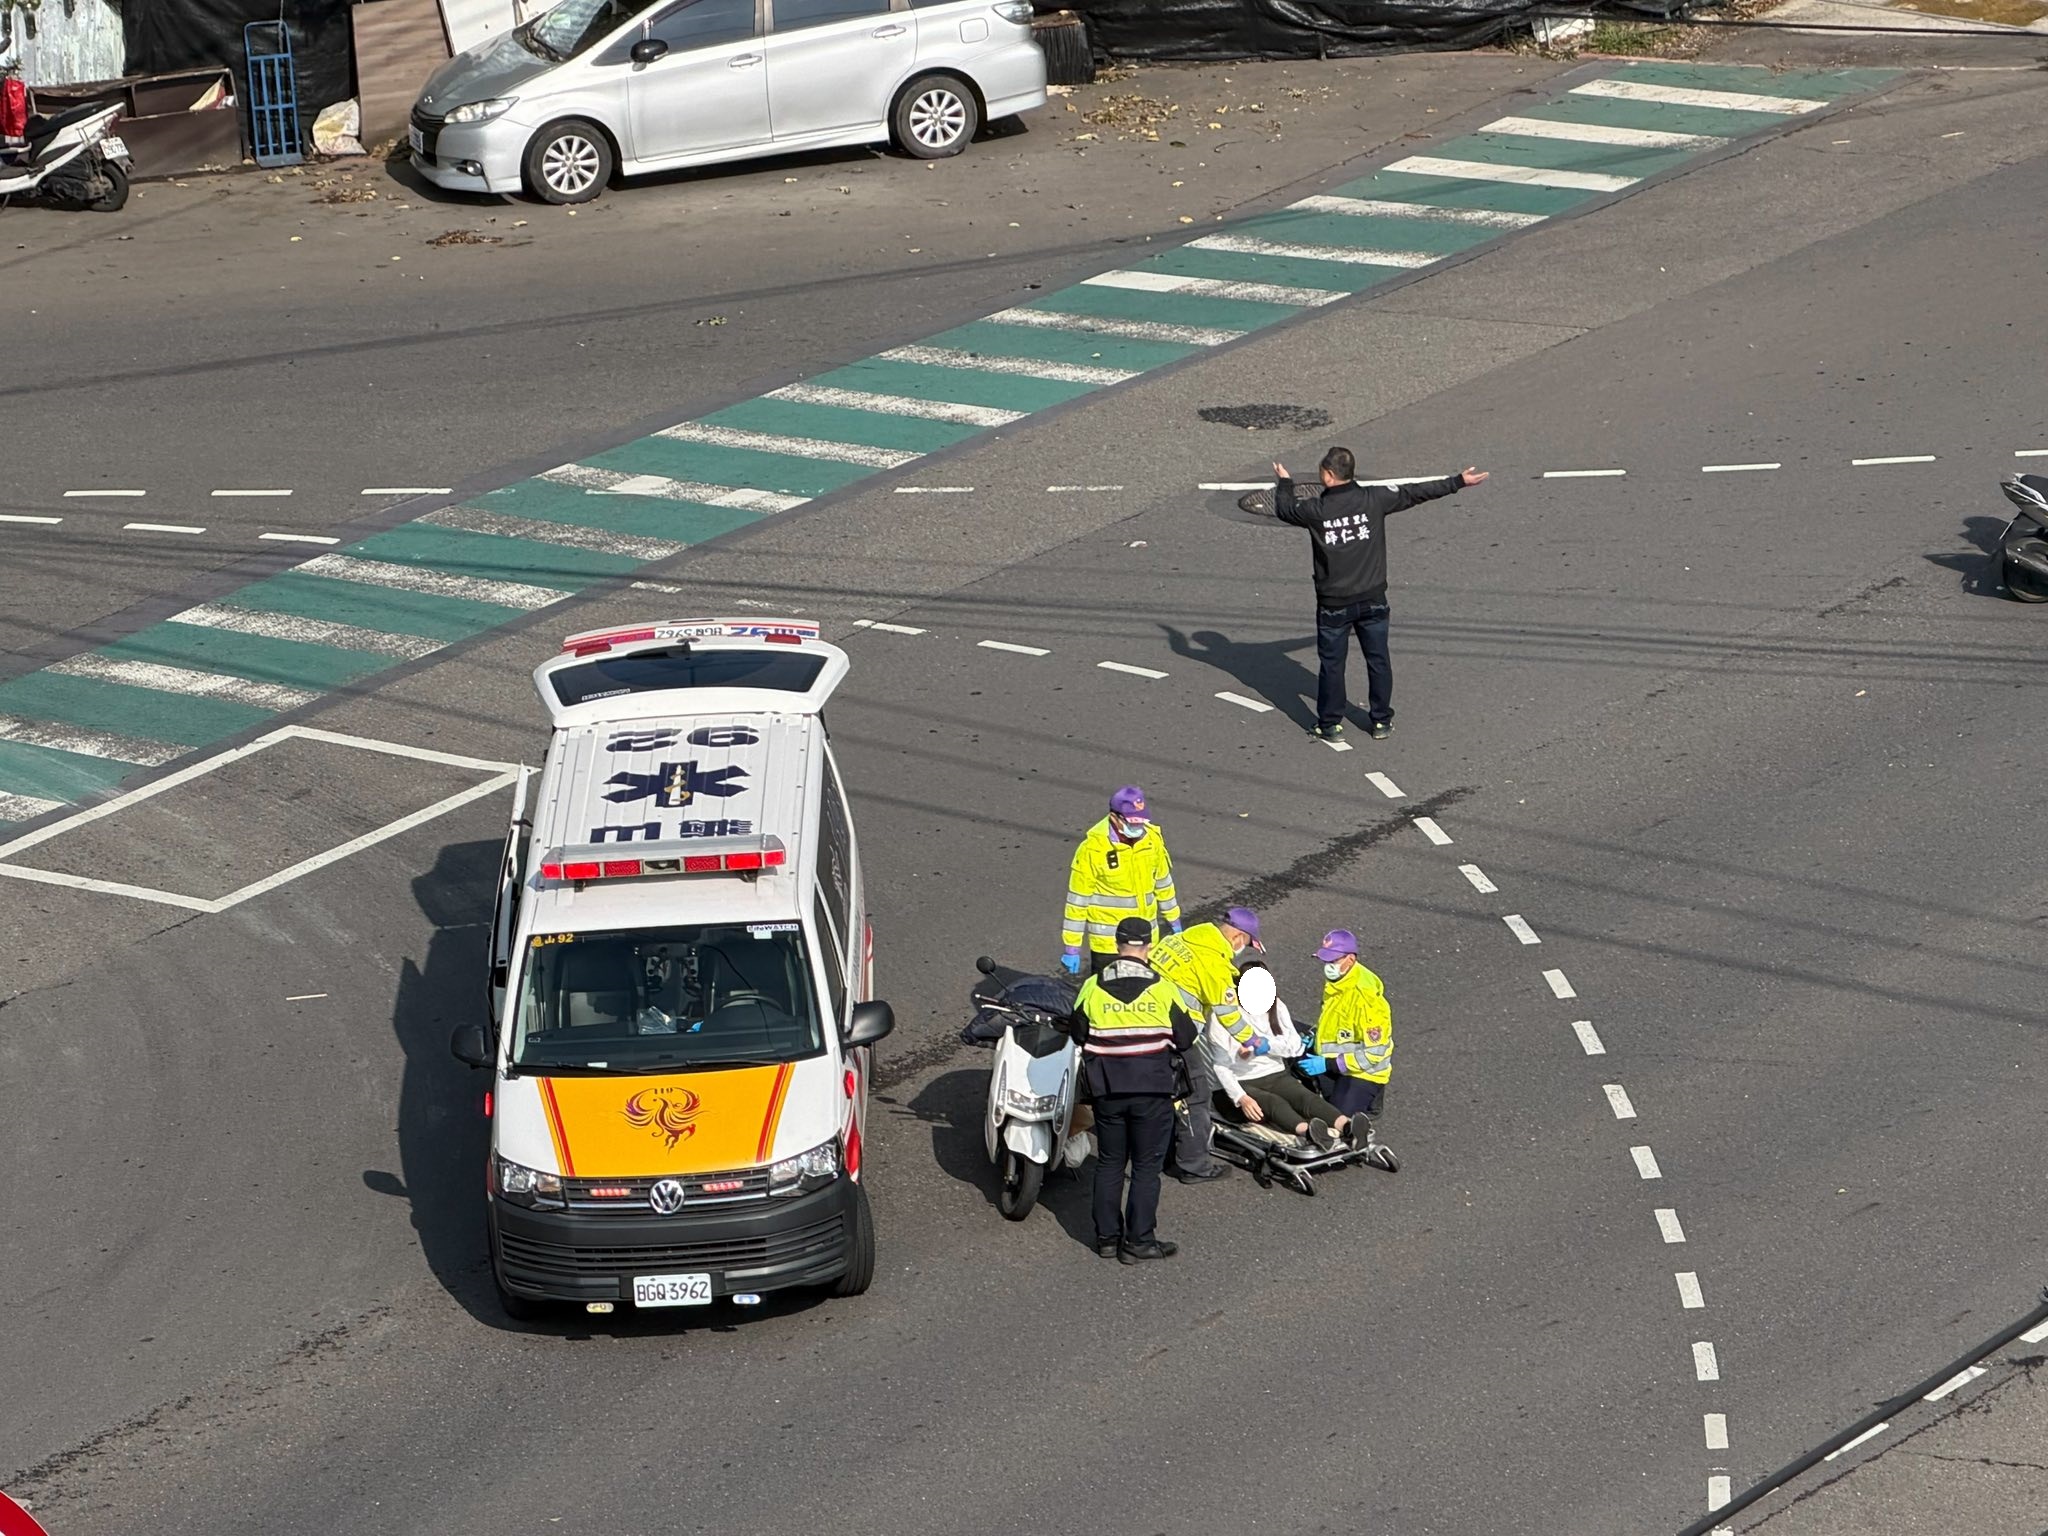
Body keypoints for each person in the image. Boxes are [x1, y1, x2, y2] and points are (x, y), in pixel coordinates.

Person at [1271, 449, 1489, 742]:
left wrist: (1285, 482)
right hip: (1373, 599)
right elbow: (1416, 492)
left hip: (1334, 605)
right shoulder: (1375, 499)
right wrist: (1457, 481)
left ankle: (1330, 724)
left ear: (1328, 475)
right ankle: (1381, 721)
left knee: (1333, 664)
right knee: (1378, 659)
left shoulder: (1315, 511)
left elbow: (1285, 509)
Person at [1069, 916, 1197, 1263]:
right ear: (1149, 947)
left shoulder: (1093, 987)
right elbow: (1186, 1038)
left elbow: (1077, 1032)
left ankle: (1107, 1239)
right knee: (1145, 1166)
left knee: (1110, 1162)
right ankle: (1138, 1241)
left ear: (1117, 945)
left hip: (1107, 1091)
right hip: (1152, 1090)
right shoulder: (1162, 987)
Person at [1147, 906, 1263, 1183]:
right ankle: (1192, 1165)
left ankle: (1156, 1151)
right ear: (1237, 937)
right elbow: (1228, 1014)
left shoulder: (1179, 939)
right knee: (1195, 1095)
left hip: (1143, 1024)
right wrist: (1252, 1040)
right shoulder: (1214, 962)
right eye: (1246, 944)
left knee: (1155, 1093)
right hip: (1175, 1034)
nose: (1242, 950)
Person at [1209, 963, 1370, 1150]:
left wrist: (1266, 1045)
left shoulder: (1275, 1006)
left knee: (1303, 1097)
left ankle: (1348, 1126)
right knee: (1274, 1103)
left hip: (1275, 1074)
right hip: (1241, 1081)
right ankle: (1309, 1132)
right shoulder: (1222, 1017)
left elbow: (1294, 1046)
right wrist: (1241, 1098)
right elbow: (1220, 1066)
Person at [1060, 785, 1182, 978]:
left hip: (1146, 941)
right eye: (1132, 823)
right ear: (1114, 817)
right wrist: (1072, 947)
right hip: (1110, 945)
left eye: (1141, 821)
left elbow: (1163, 884)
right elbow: (1078, 901)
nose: (1137, 828)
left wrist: (1174, 920)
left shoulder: (1152, 840)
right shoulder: (1093, 849)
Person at [1301, 929, 1392, 1120]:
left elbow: (1374, 1054)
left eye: (1332, 961)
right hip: (1333, 1062)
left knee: (1335, 1122)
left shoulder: (1365, 999)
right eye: (1325, 961)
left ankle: (1368, 1105)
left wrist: (1328, 1064)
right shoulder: (1339, 983)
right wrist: (1314, 1035)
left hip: (1363, 1074)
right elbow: (1336, 1022)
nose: (1327, 966)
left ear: (1350, 959)